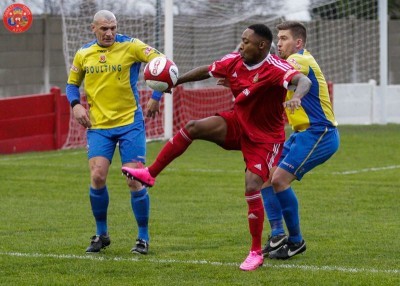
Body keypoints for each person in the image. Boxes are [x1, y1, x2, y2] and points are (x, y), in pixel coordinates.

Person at [122, 23, 312, 271]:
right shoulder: (234, 61)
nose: (241, 45)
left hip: (265, 139)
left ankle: (255, 252)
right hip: (237, 123)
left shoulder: (276, 68)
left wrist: (296, 96)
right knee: (193, 127)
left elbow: (303, 80)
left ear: (263, 46)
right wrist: (176, 81)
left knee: (252, 185)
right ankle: (150, 173)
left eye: (247, 42)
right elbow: (207, 71)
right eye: (242, 40)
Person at [66, 10, 166, 255]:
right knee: (98, 176)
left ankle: (143, 237)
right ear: (93, 29)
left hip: (130, 123)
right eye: (104, 29)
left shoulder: (132, 46)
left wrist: (156, 95)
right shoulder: (83, 54)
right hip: (99, 126)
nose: (109, 32)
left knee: (134, 179)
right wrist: (75, 105)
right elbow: (71, 84)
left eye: (112, 27)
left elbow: (162, 62)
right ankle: (101, 234)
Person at [261, 21, 340, 260]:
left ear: (298, 42)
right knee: (265, 178)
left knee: (280, 180)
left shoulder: (299, 60)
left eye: (284, 38)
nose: (279, 42)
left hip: (320, 132)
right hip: (300, 135)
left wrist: (296, 97)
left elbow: (300, 81)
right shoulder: (286, 65)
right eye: (279, 37)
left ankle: (296, 242)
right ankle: (277, 236)